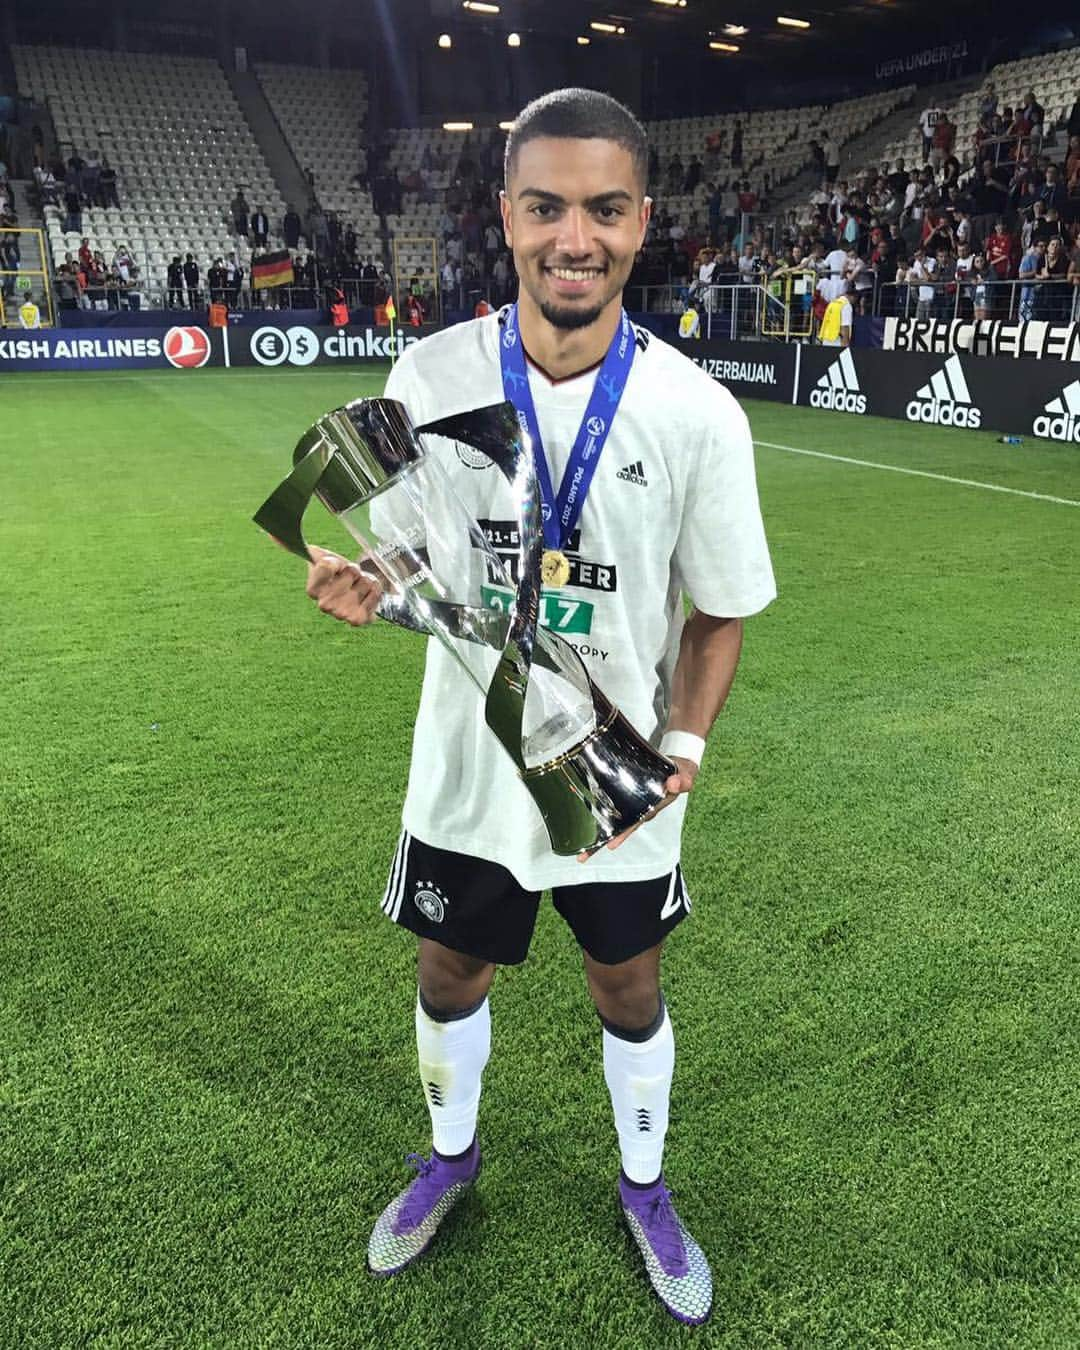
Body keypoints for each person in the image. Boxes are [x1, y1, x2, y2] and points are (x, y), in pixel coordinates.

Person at [299, 87, 775, 1327]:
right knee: (450, 972)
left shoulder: (696, 413)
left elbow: (720, 609)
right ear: (506, 215)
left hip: (615, 780)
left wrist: (682, 745)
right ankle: (450, 1156)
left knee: (629, 988)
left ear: (641, 222)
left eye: (605, 210)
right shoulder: (430, 371)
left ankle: (647, 1186)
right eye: (548, 207)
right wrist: (373, 584)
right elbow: (410, 554)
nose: (577, 238)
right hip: (470, 770)